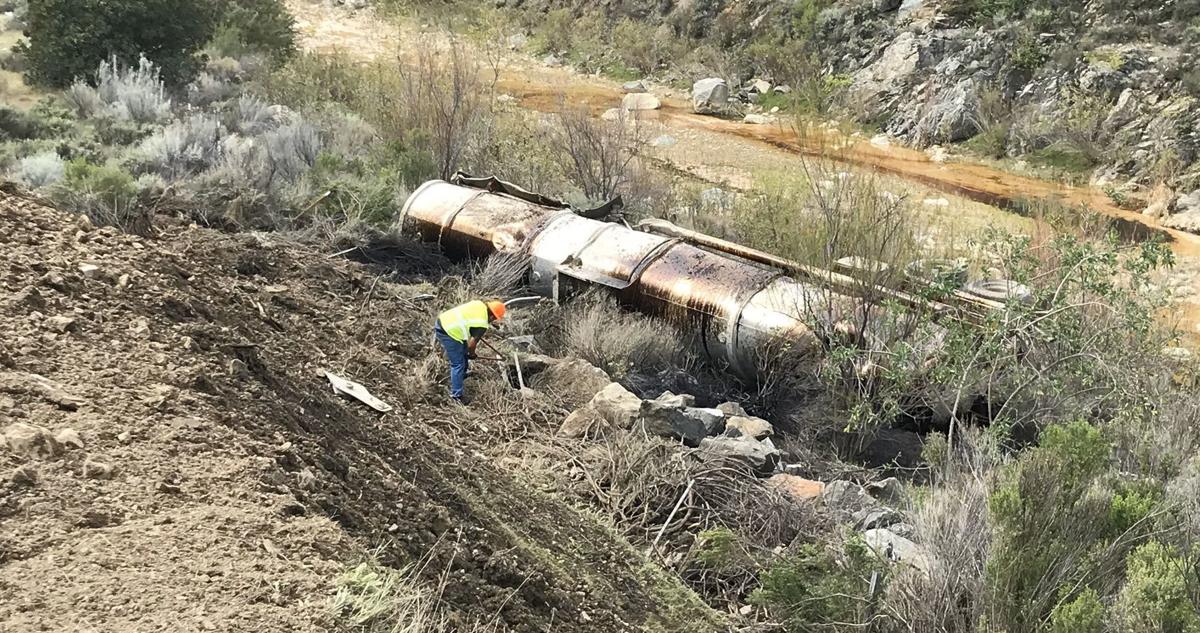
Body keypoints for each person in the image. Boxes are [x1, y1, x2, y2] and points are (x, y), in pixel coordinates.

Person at [433, 299, 507, 402]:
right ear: (492, 316)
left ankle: (462, 375)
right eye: (494, 319)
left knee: (462, 352)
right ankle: (456, 396)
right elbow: (471, 344)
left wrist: (467, 351)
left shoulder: (479, 303)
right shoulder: (482, 323)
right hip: (448, 331)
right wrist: (471, 354)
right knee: (457, 364)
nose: (492, 321)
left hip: (445, 320)